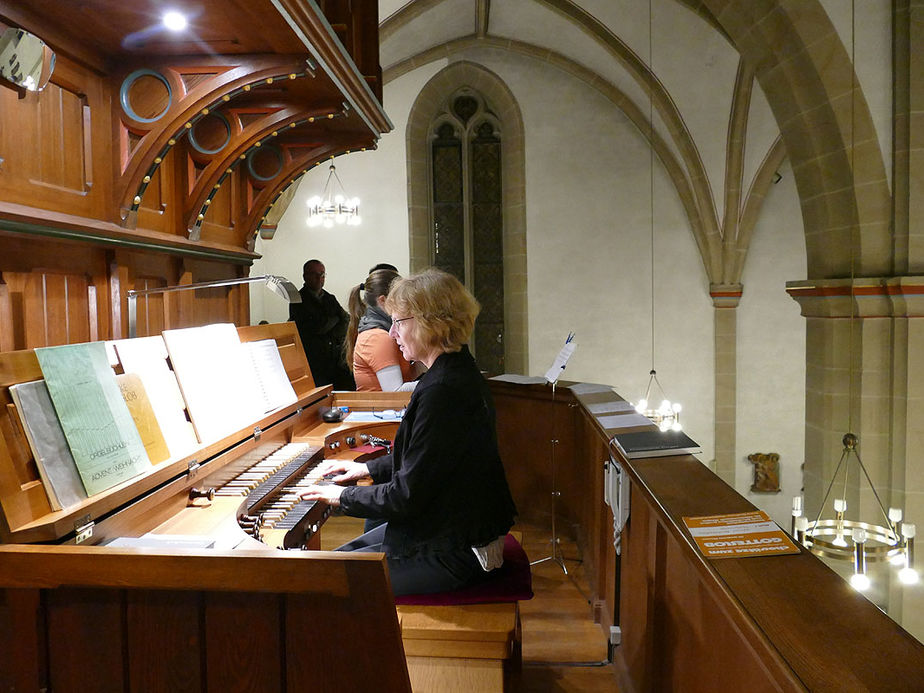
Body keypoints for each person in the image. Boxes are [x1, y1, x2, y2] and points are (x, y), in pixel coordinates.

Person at [300, 268, 518, 596]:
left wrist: (342, 496)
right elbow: (427, 458)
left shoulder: (445, 389)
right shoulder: (451, 371)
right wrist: (366, 468)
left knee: (325, 583)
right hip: (449, 527)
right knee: (338, 558)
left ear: (430, 323)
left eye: (398, 322)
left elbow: (406, 496)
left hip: (459, 550)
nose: (392, 334)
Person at [344, 267, 418, 392]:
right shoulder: (377, 337)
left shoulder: (380, 328)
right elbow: (394, 391)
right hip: (382, 410)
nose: (404, 304)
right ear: (383, 300)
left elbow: (407, 375)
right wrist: (436, 380)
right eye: (400, 298)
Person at [289, 259, 355, 390]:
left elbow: (346, 319)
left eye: (322, 274)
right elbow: (317, 327)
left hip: (334, 358)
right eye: (314, 274)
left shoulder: (330, 298)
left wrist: (333, 323)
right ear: (305, 276)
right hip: (314, 360)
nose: (319, 278)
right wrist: (335, 319)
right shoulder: (298, 300)